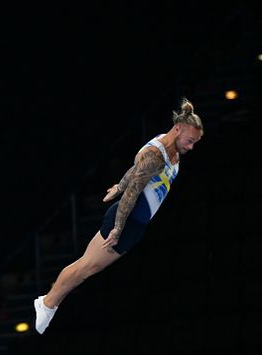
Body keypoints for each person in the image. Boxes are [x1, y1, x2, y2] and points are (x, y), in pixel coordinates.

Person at [33, 97, 204, 334]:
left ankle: (49, 301)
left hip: (136, 223)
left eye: (195, 142)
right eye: (190, 141)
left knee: (90, 267)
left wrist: (119, 186)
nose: (191, 147)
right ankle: (47, 303)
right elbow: (133, 191)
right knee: (86, 267)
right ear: (178, 129)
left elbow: (135, 173)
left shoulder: (171, 150)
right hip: (126, 218)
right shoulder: (157, 155)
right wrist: (118, 226)